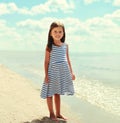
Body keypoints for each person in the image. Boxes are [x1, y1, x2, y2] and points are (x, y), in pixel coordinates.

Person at [41, 21, 75, 121]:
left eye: (60, 31)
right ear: (50, 33)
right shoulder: (49, 47)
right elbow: (46, 62)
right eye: (55, 31)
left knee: (57, 93)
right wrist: (46, 75)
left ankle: (58, 113)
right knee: (49, 93)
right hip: (52, 73)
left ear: (63, 33)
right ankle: (52, 114)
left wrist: (71, 72)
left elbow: (68, 59)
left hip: (62, 73)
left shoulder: (65, 46)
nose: (57, 34)